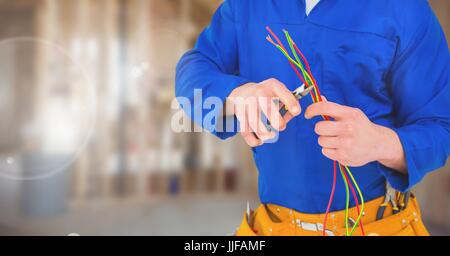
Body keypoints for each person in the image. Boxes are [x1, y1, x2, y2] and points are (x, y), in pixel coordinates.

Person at [175, 0, 450, 236]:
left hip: (375, 223)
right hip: (274, 225)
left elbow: (440, 127)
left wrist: (381, 143)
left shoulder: (404, 9)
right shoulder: (247, 6)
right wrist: (236, 95)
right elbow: (194, 72)